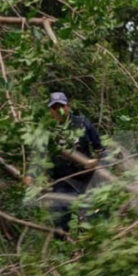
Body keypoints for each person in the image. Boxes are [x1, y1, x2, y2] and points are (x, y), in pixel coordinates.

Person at [46, 91, 104, 229]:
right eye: (55, 108)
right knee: (59, 218)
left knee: (90, 218)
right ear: (50, 111)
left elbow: (100, 149)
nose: (58, 110)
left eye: (61, 106)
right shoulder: (48, 130)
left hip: (86, 179)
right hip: (62, 181)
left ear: (68, 107)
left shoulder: (82, 124)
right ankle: (63, 246)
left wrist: (94, 162)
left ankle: (88, 246)